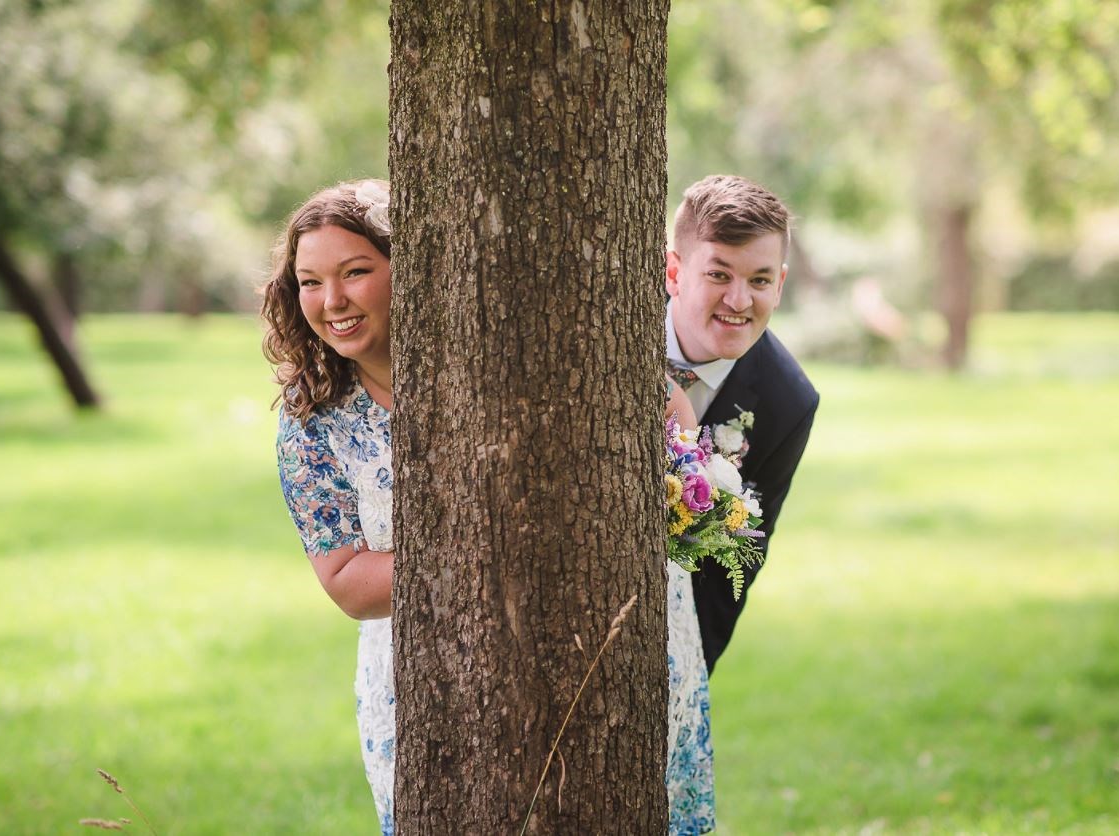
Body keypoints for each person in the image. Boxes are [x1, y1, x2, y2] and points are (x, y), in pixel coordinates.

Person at [264, 179, 716, 835]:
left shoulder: (508, 359)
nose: (331, 301)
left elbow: (670, 420)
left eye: (355, 272)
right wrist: (496, 553)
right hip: (439, 676)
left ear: (411, 268)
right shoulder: (314, 421)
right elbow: (347, 583)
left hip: (608, 649)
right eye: (309, 281)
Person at [665, 175, 820, 675]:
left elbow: (735, 566)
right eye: (718, 275)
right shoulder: (601, 323)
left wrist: (684, 678)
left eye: (758, 280)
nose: (739, 301)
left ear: (779, 284)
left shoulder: (787, 401)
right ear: (674, 272)